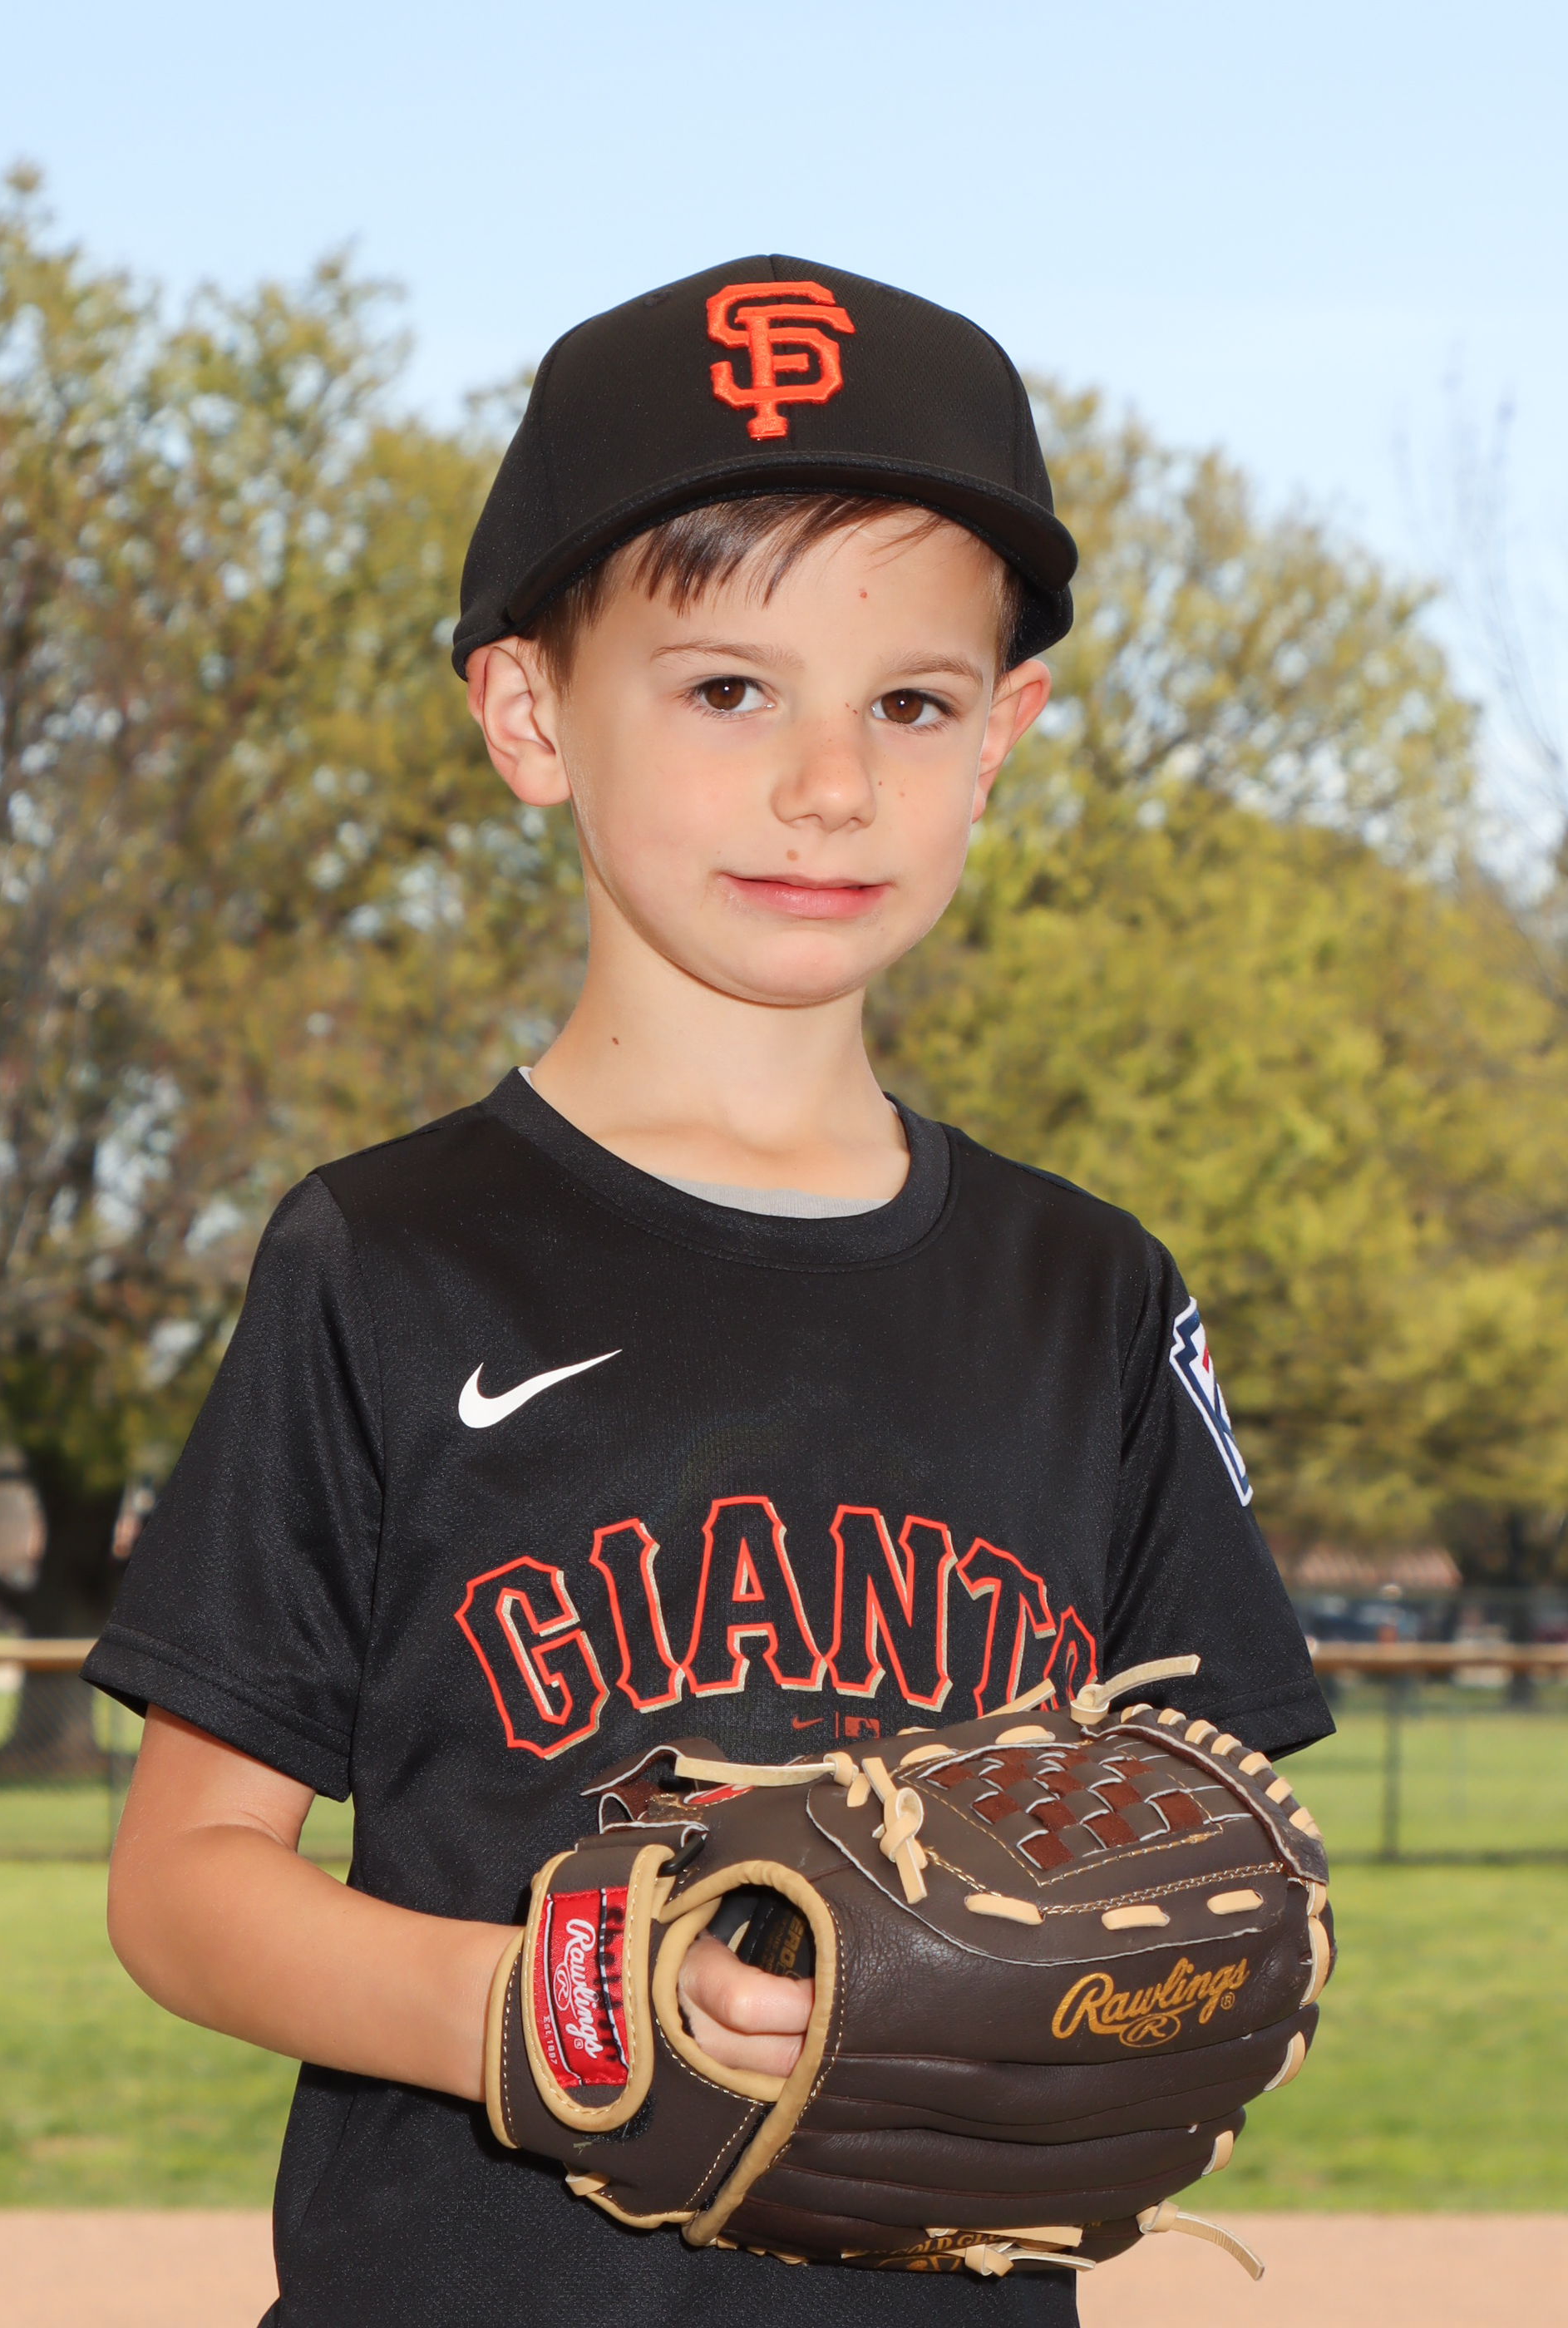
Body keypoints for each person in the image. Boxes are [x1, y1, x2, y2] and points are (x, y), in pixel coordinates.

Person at [86, 256, 1332, 2328]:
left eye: (909, 702)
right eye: (728, 688)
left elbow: (1207, 1838)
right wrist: (567, 2004)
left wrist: (1151, 1998)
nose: (830, 781)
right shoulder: (388, 1256)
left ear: (1002, 735)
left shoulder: (1089, 1291)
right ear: (529, 715)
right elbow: (183, 1885)